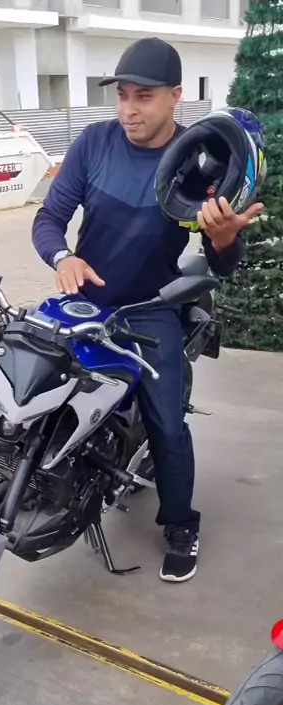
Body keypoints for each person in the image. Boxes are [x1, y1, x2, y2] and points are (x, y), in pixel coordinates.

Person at [31, 37, 263, 583]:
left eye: (144, 97)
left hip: (148, 308)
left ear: (175, 96)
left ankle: (181, 524)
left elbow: (222, 262)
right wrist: (63, 257)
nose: (129, 110)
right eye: (123, 96)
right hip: (83, 302)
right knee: (31, 391)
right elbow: (48, 219)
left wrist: (224, 237)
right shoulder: (94, 144)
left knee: (167, 425)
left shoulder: (199, 159)